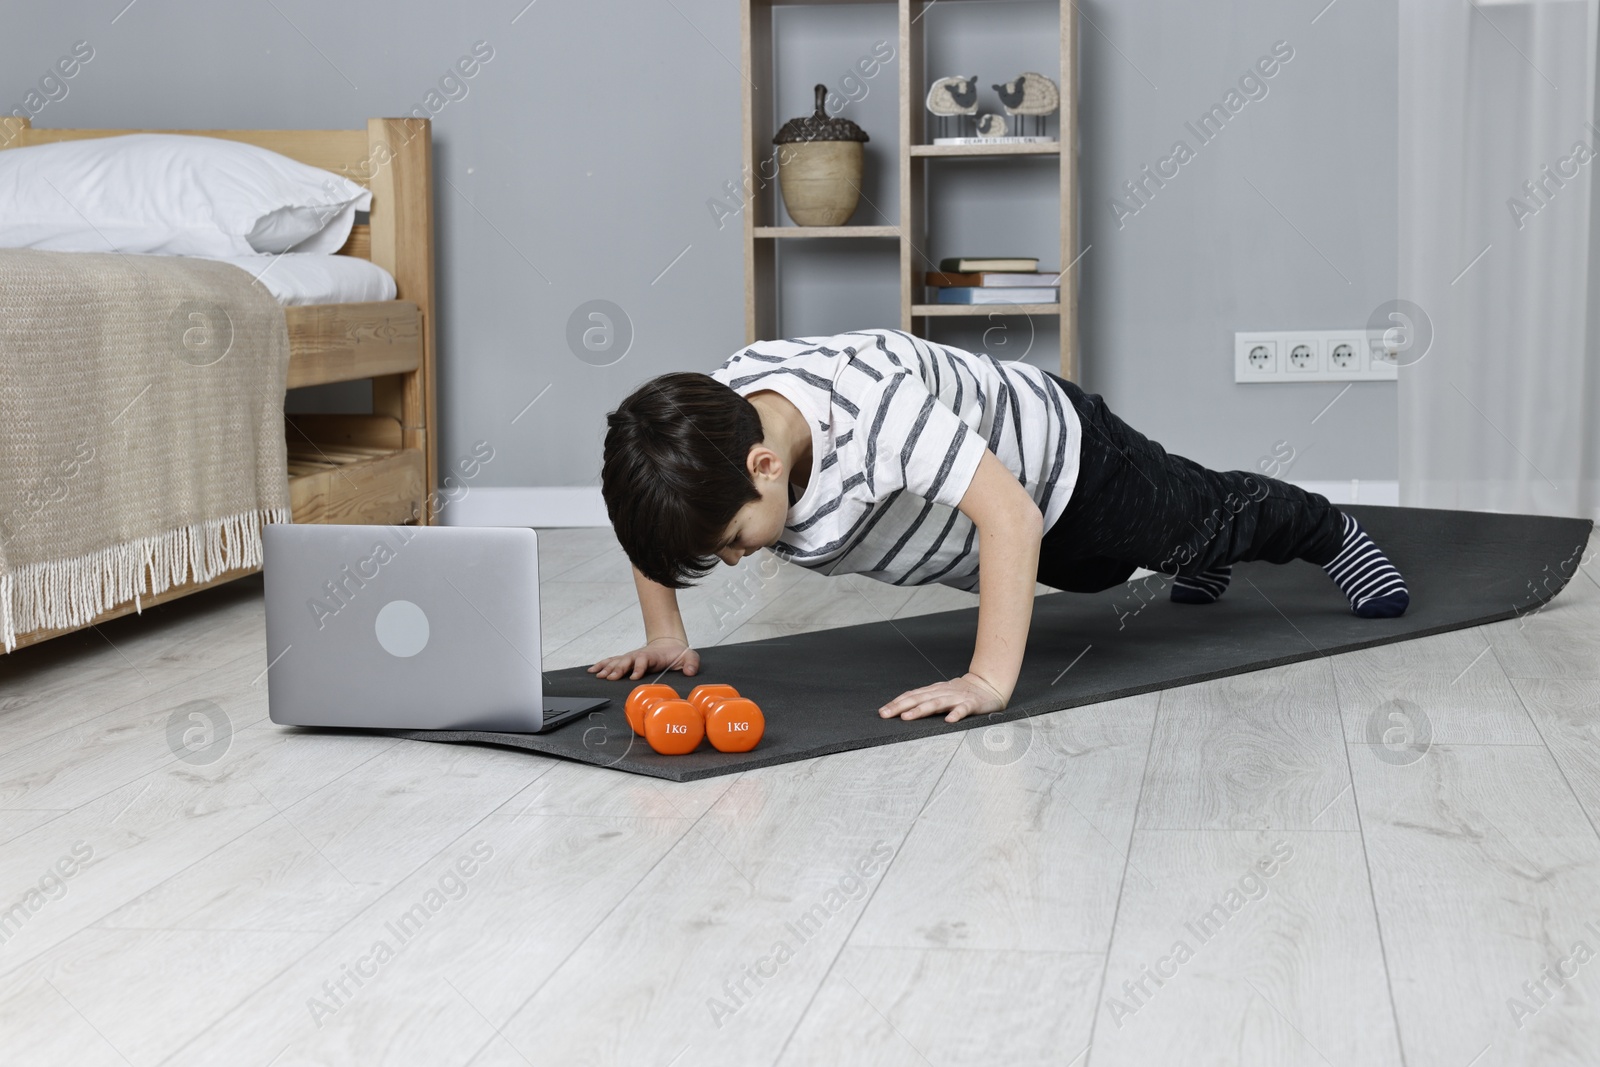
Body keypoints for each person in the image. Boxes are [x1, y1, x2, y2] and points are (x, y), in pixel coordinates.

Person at [590, 328, 1407, 723]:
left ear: (765, 466)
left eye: (732, 538)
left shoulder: (873, 413)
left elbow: (1011, 513)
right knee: (1102, 576)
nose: (732, 560)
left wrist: (986, 681)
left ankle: (1330, 530)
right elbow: (652, 509)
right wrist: (665, 631)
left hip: (1066, 469)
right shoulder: (706, 436)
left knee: (1199, 518)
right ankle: (1190, 560)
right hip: (994, 529)